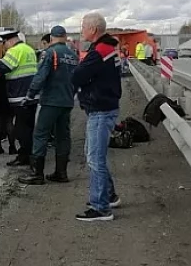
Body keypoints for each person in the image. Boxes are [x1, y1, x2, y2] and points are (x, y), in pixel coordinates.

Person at [72, 12, 122, 222]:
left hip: (100, 109)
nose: (82, 30)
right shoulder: (108, 48)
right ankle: (108, 195)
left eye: (83, 26)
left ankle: (100, 207)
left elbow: (77, 76)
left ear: (93, 29)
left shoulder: (99, 51)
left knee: (94, 158)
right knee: (94, 154)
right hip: (106, 107)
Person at [19, 25, 78, 185]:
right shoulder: (73, 55)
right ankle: (61, 172)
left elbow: (40, 76)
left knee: (40, 134)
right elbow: (77, 79)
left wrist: (30, 95)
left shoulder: (50, 53)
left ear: (51, 38)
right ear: (65, 37)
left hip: (51, 101)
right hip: (67, 101)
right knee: (63, 136)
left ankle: (37, 173)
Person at [0, 30, 38, 167]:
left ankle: (25, 157)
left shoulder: (15, 51)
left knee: (21, 129)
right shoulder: (28, 49)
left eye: (4, 43)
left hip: (19, 95)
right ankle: (29, 154)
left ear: (9, 41)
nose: (4, 46)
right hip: (31, 95)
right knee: (28, 127)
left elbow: (3, 67)